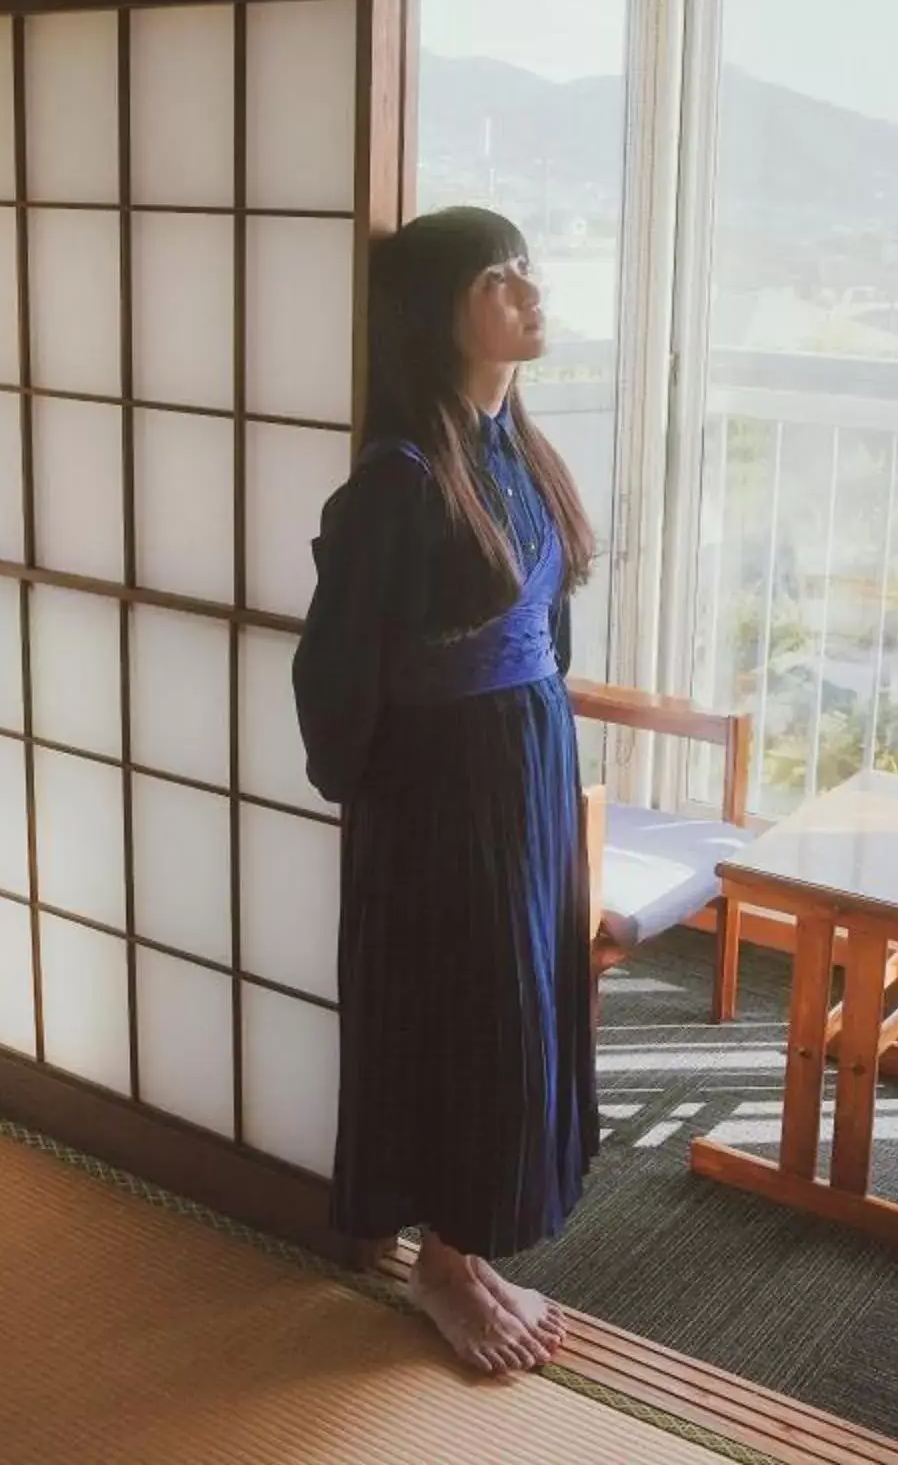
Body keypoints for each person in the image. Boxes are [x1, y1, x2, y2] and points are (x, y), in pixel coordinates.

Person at [292, 206, 602, 1376]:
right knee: (468, 1012)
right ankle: (438, 1263)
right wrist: (384, 794)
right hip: (441, 789)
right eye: (501, 276)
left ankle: (467, 1244)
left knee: (523, 1002)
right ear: (444, 309)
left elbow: (546, 625)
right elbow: (335, 663)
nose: (531, 292)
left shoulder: (512, 444)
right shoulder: (400, 475)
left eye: (530, 269)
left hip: (525, 760)